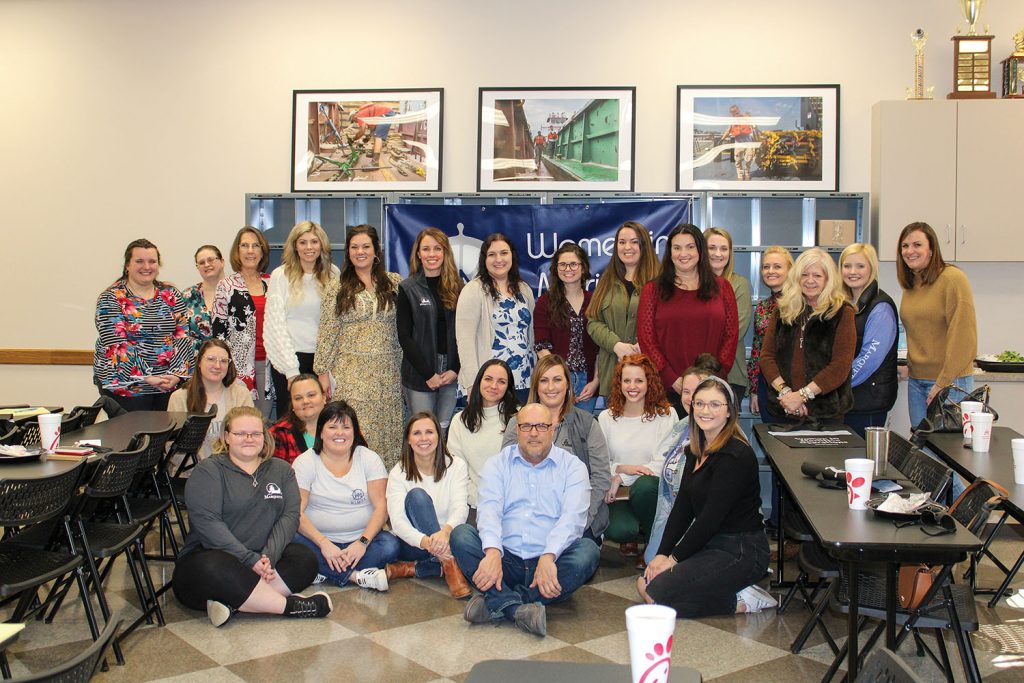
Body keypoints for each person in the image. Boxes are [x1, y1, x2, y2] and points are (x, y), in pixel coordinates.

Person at [450, 403, 601, 637]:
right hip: (505, 560)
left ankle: (497, 603)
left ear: (553, 429)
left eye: (541, 426)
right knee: (460, 535)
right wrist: (491, 552)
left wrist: (549, 555)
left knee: (588, 552)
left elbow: (573, 520)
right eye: (526, 426)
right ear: (517, 430)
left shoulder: (572, 467)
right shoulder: (497, 464)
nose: (533, 433)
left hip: (550, 563)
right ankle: (519, 610)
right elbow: (488, 511)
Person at [172, 406, 330, 627]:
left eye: (256, 434)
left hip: (261, 559)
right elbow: (208, 524)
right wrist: (249, 559)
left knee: (305, 559)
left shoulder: (282, 470)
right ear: (226, 436)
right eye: (240, 434)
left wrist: (269, 557)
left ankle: (233, 604)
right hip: (210, 561)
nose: (249, 439)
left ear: (264, 437)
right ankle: (290, 607)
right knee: (215, 566)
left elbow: (290, 516)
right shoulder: (208, 471)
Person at [638, 378, 775, 616]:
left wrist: (673, 559)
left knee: (656, 592)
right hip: (711, 545)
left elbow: (709, 519)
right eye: (699, 404)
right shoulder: (695, 450)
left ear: (729, 411)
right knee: (647, 583)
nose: (705, 411)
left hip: (742, 550)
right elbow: (683, 508)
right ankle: (728, 590)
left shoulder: (736, 455)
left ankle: (744, 600)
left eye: (714, 404)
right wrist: (662, 553)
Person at [314, 224, 404, 469]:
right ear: (348, 252)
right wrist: (322, 371)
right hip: (352, 375)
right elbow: (327, 331)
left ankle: (385, 496)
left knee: (389, 436)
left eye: (366, 246)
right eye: (354, 247)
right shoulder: (337, 287)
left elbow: (406, 328)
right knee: (357, 434)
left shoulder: (394, 283)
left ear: (376, 251)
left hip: (388, 373)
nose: (360, 252)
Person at [291, 400, 399, 591]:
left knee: (390, 545)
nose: (339, 433)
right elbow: (296, 513)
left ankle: (323, 570)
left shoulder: (369, 458)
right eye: (332, 427)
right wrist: (324, 544)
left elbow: (382, 508)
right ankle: (355, 576)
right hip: (317, 541)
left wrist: (362, 543)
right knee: (289, 540)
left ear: (355, 432)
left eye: (346, 427)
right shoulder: (305, 462)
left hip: (360, 541)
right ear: (321, 432)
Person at [501, 354, 611, 542]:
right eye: (544, 380)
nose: (551, 387)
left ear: (568, 384)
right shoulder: (516, 423)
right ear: (536, 386)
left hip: (577, 518)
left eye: (557, 380)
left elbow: (600, 477)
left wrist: (578, 521)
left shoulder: (587, 424)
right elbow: (507, 471)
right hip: (527, 518)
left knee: (583, 557)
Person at [637, 224, 738, 411]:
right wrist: (672, 379)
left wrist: (712, 377)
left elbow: (730, 336)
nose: (684, 253)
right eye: (677, 248)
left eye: (690, 247)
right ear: (670, 252)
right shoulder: (652, 290)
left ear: (700, 249)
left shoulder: (722, 288)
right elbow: (647, 339)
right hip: (667, 390)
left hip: (712, 388)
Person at [93, 238, 194, 412]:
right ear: (127, 265)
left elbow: (183, 335)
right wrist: (147, 377)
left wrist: (176, 374)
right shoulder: (111, 298)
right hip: (127, 387)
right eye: (139, 261)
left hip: (167, 384)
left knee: (165, 436)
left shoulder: (170, 294)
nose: (146, 267)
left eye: (152, 261)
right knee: (132, 437)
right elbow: (116, 344)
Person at [759, 248, 856, 425]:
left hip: (826, 413)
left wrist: (802, 396)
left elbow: (840, 366)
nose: (810, 281)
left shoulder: (842, 312)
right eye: (804, 275)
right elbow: (766, 357)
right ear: (797, 278)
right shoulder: (783, 310)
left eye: (817, 276)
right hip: (784, 408)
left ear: (828, 279)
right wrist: (787, 394)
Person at [897, 222, 977, 429]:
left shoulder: (952, 279)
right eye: (905, 246)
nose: (910, 251)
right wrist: (910, 367)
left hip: (952, 382)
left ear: (932, 250)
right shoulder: (912, 284)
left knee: (948, 453)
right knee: (922, 453)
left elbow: (964, 337)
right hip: (917, 381)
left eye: (917, 245)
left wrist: (943, 382)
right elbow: (922, 333)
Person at [384, 412, 472, 598]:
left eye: (429, 432)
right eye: (416, 433)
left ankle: (414, 569)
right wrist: (429, 544)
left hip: (449, 537)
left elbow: (460, 508)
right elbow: (398, 523)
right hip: (416, 543)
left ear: (439, 437)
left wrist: (445, 532)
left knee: (466, 540)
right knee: (417, 496)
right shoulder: (398, 472)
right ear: (408, 439)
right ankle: (448, 564)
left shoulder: (456, 466)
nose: (423, 438)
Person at [644, 354, 721, 566]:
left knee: (663, 578)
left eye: (695, 392)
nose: (689, 398)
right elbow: (659, 462)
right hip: (673, 513)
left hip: (705, 521)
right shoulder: (680, 427)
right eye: (685, 392)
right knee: (651, 561)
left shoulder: (721, 436)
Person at [598, 354, 678, 560]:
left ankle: (654, 544)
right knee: (619, 531)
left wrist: (623, 474)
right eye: (627, 380)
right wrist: (620, 469)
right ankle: (635, 530)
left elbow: (664, 463)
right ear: (619, 383)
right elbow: (600, 461)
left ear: (649, 382)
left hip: (651, 490)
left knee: (645, 485)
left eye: (639, 380)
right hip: (620, 492)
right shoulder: (606, 418)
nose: (632, 386)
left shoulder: (666, 415)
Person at [264, 221, 338, 419]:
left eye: (314, 242)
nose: (309, 247)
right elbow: (275, 325)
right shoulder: (280, 276)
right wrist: (291, 371)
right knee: (290, 421)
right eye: (303, 242)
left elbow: (336, 324)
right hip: (289, 359)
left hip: (321, 361)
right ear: (295, 246)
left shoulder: (333, 274)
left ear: (321, 244)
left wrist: (325, 368)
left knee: (323, 419)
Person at [397, 228, 463, 434]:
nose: (432, 254)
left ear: (445, 253)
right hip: (419, 373)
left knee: (443, 432)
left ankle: (441, 468)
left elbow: (465, 332)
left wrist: (455, 369)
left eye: (437, 248)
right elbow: (405, 337)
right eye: (426, 249)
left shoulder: (459, 287)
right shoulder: (407, 288)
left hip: (450, 374)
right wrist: (428, 374)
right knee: (421, 433)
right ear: (418, 253)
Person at [455, 233, 535, 401]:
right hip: (489, 384)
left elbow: (532, 336)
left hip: (524, 381)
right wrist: (472, 384)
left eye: (504, 253)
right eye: (492, 254)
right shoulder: (473, 290)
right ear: (484, 259)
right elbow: (465, 341)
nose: (499, 259)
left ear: (512, 255)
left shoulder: (524, 289)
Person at [587, 221, 660, 399]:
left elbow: (668, 323)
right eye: (622, 242)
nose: (627, 247)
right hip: (613, 374)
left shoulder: (659, 281)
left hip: (649, 373)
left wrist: (645, 344)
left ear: (644, 246)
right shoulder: (606, 281)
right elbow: (593, 322)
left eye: (634, 242)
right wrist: (616, 345)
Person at [840, 244, 898, 436]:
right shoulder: (847, 303)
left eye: (860, 266)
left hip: (868, 403)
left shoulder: (880, 307)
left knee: (864, 462)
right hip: (851, 400)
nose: (852, 272)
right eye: (847, 266)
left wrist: (836, 384)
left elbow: (869, 359)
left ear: (872, 268)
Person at [213, 226, 272, 414]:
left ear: (262, 251)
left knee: (265, 424)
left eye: (256, 246)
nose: (250, 251)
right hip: (238, 368)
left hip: (271, 366)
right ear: (237, 251)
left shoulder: (273, 283)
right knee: (240, 422)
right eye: (244, 245)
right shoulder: (226, 286)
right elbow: (218, 332)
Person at [534, 243, 599, 412]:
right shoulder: (544, 303)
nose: (567, 269)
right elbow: (542, 348)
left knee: (581, 434)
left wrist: (596, 382)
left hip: (588, 383)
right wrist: (560, 379)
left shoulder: (595, 301)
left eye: (573, 264)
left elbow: (601, 349)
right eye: (562, 264)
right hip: (556, 382)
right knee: (553, 431)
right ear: (555, 269)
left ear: (583, 268)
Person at [447, 359, 520, 509]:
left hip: (514, 505)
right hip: (474, 504)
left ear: (508, 387)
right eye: (488, 379)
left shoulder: (520, 417)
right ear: (479, 381)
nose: (494, 386)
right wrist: (479, 500)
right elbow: (456, 472)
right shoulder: (460, 421)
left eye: (501, 382)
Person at [168, 339, 253, 466]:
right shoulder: (179, 397)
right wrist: (201, 469)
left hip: (234, 470)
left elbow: (250, 438)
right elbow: (171, 446)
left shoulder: (241, 395)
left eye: (224, 361)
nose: (217, 366)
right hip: (193, 473)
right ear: (199, 362)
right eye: (211, 359)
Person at [705, 228, 753, 408]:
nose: (718, 254)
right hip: (693, 374)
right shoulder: (691, 285)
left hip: (731, 375)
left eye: (724, 249)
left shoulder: (739, 284)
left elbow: (735, 331)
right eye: (712, 248)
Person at [748, 247, 794, 421]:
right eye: (766, 267)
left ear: (790, 270)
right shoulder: (762, 307)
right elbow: (756, 350)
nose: (770, 271)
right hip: (766, 384)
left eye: (777, 266)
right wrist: (754, 390)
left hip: (794, 384)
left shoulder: (800, 304)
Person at [270, 373, 327, 465]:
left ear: (324, 398)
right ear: (292, 404)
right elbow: (276, 475)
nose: (305, 401)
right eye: (298, 398)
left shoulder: (343, 426)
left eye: (311, 395)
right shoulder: (279, 433)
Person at [182, 245, 226, 356]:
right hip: (196, 364)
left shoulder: (237, 292)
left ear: (222, 262)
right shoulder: (188, 295)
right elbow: (180, 334)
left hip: (231, 364)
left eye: (211, 260)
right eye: (201, 263)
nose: (206, 265)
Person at [721, 104, 757, 181]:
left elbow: (753, 128)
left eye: (736, 111)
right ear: (731, 113)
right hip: (739, 144)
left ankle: (747, 172)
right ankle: (740, 174)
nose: (735, 113)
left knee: (749, 159)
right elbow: (728, 131)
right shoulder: (732, 122)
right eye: (733, 112)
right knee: (738, 160)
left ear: (738, 110)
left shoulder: (746, 118)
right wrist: (722, 139)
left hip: (748, 143)